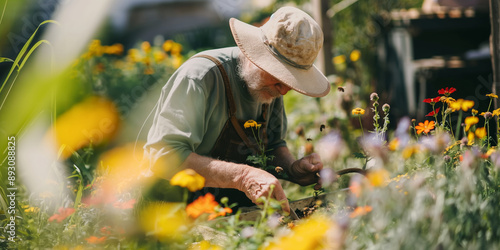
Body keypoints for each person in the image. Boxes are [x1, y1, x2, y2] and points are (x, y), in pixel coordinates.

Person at [144, 6, 331, 215]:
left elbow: (273, 146)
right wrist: (242, 177)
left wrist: (292, 169)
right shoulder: (200, 78)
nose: (285, 89)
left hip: (226, 212)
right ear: (255, 54)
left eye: (292, 80)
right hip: (168, 214)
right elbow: (162, 156)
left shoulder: (270, 88)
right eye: (280, 76)